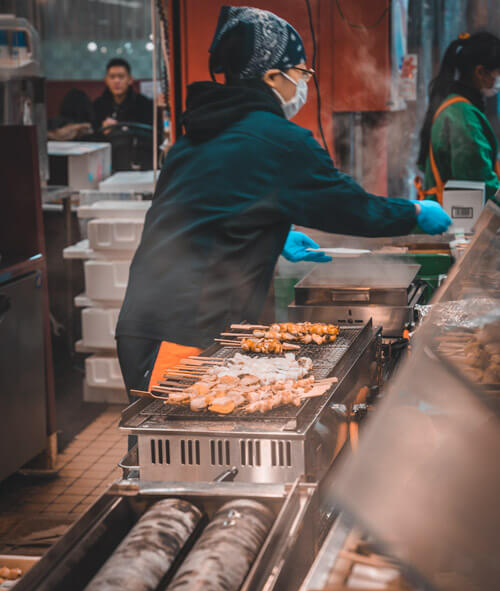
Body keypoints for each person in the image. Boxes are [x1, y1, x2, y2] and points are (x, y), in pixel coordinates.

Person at [116, 5, 451, 395]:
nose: (305, 83)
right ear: (273, 75)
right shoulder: (276, 139)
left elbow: (206, 211)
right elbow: (349, 207)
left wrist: (274, 231)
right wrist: (413, 211)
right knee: (176, 449)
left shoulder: (198, 136)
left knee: (179, 449)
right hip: (181, 331)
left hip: (153, 323)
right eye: (302, 73)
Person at [416, 32, 500, 203]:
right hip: (455, 221)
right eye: (498, 73)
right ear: (480, 72)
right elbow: (479, 180)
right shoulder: (462, 116)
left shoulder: (458, 108)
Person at [93, 58, 155, 132]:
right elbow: (92, 133)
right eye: (112, 77)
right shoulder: (97, 105)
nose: (116, 81)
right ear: (106, 80)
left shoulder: (144, 104)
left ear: (130, 80)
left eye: (121, 77)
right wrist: (103, 130)